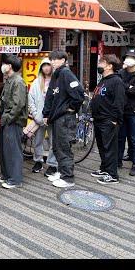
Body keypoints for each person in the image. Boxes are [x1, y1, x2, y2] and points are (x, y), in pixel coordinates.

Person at [42, 51, 85, 188]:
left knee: (63, 148)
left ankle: (68, 178)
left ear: (63, 60)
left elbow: (79, 94)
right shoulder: (57, 74)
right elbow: (50, 96)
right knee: (56, 147)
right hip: (56, 117)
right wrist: (46, 114)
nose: (53, 62)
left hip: (64, 118)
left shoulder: (66, 73)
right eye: (51, 59)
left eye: (56, 59)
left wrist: (71, 108)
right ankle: (61, 172)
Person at [90, 55, 125, 185]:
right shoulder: (103, 80)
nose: (99, 64)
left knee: (110, 147)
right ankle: (104, 168)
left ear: (110, 66)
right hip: (99, 119)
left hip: (108, 120)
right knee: (102, 146)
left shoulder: (116, 81)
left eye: (102, 62)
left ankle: (112, 174)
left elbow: (119, 102)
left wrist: (115, 119)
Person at [0, 55, 28, 189]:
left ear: (10, 66)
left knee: (13, 150)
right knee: (4, 149)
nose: (3, 66)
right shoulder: (10, 80)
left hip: (13, 121)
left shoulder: (18, 81)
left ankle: (15, 179)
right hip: (7, 119)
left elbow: (18, 104)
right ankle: (6, 175)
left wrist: (7, 118)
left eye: (5, 63)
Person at [27, 56, 56, 174]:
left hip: (52, 117)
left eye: (48, 65)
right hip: (39, 117)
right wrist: (35, 114)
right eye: (44, 65)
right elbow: (30, 99)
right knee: (38, 140)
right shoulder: (36, 81)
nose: (46, 68)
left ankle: (52, 164)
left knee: (53, 141)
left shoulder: (56, 81)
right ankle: (38, 161)